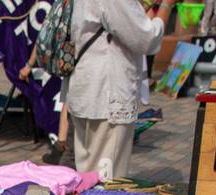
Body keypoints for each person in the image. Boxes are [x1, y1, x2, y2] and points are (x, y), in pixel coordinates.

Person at [66, 0, 175, 181]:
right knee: (106, 181)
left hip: (87, 87)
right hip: (106, 91)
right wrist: (166, 7)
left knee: (88, 175)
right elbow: (146, 39)